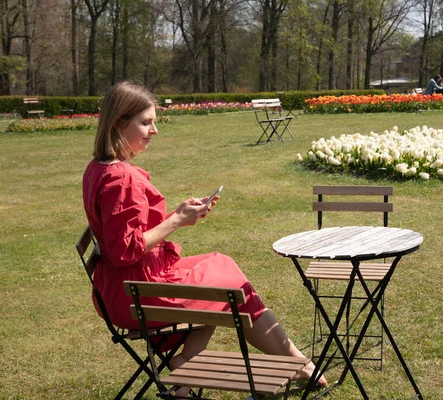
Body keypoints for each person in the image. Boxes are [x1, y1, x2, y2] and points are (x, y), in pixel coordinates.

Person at [82, 81, 327, 392]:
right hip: (135, 294)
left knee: (221, 270)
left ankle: (189, 370)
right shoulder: (121, 178)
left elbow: (124, 237)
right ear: (118, 122)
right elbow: (124, 251)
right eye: (145, 122)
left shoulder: (99, 168)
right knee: (228, 286)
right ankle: (297, 362)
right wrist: (177, 222)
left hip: (118, 288)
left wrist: (178, 214)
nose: (154, 130)